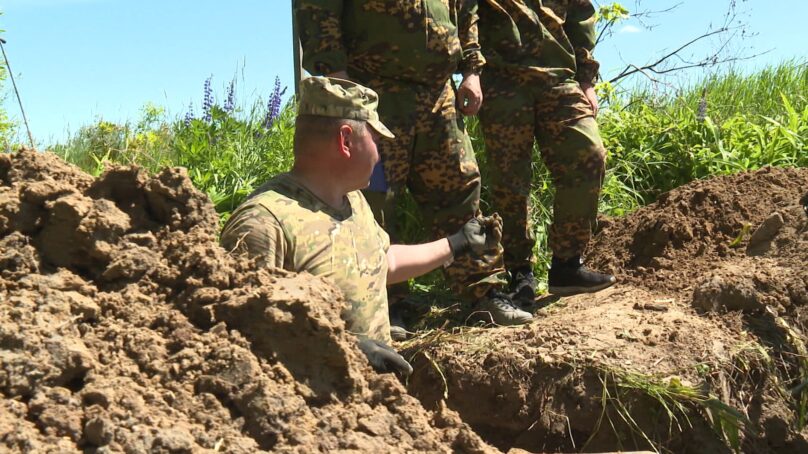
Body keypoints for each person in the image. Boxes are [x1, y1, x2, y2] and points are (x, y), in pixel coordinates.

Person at [221, 77, 507, 376]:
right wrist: (343, 351)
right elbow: (242, 335)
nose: (379, 154)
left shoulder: (354, 201)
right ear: (346, 141)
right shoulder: (264, 223)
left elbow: (383, 262)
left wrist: (458, 242)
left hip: (373, 404)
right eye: (375, 140)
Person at [294, 0, 533, 336]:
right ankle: (387, 303)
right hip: (373, 89)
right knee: (374, 197)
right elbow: (318, 9)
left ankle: (484, 291)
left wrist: (471, 71)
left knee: (461, 187)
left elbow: (465, 9)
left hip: (438, 94)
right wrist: (337, 75)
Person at [475, 0, 616, 303]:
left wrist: (587, 80)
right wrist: (470, 70)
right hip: (503, 79)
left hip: (559, 78)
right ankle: (519, 272)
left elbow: (580, 17)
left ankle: (567, 263)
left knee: (588, 155)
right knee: (510, 180)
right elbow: (464, 13)